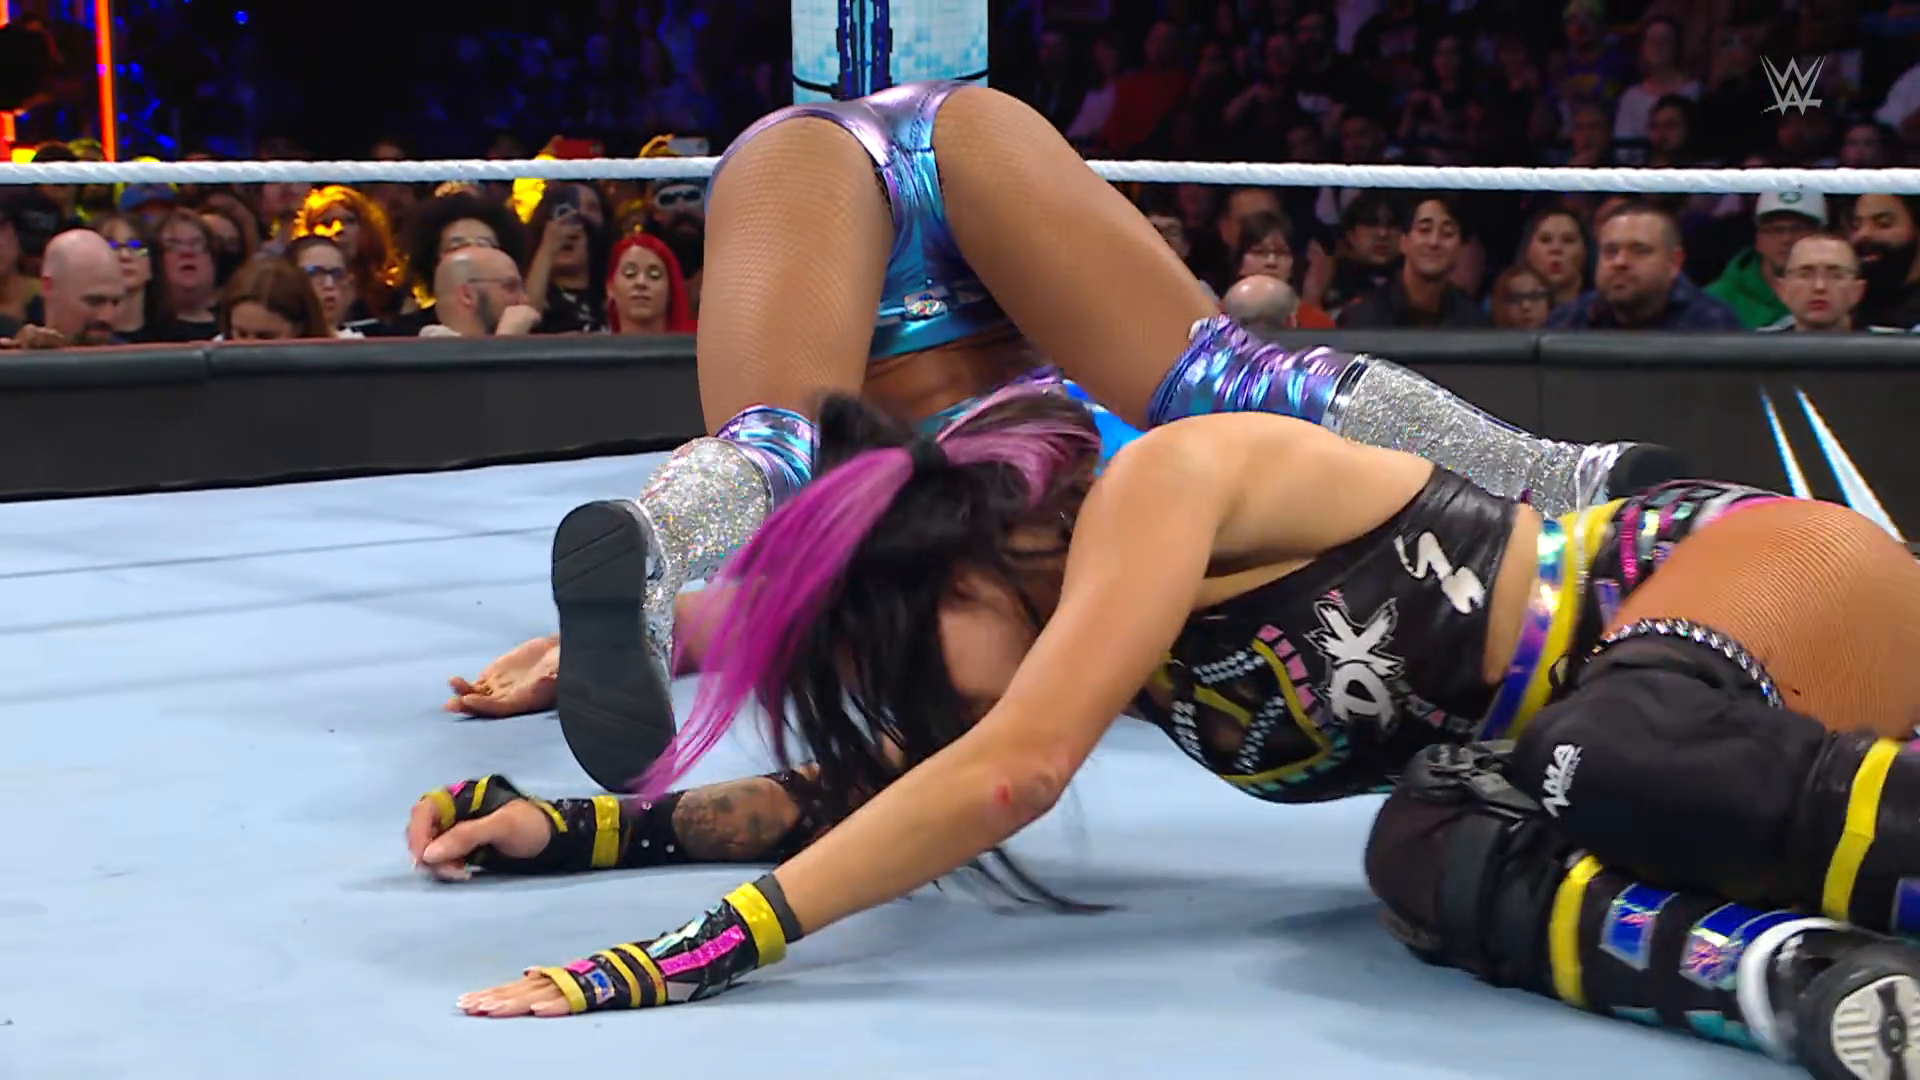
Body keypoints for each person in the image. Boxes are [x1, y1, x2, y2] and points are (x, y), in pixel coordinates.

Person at [449, 81, 1684, 793]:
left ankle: (1558, 473)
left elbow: (842, 643)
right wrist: (648, 629)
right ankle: (1563, 476)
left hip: (892, 172)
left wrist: (638, 628)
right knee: (1216, 373)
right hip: (952, 181)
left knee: (792, 448)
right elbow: (882, 667)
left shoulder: (1054, 581)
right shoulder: (1097, 576)